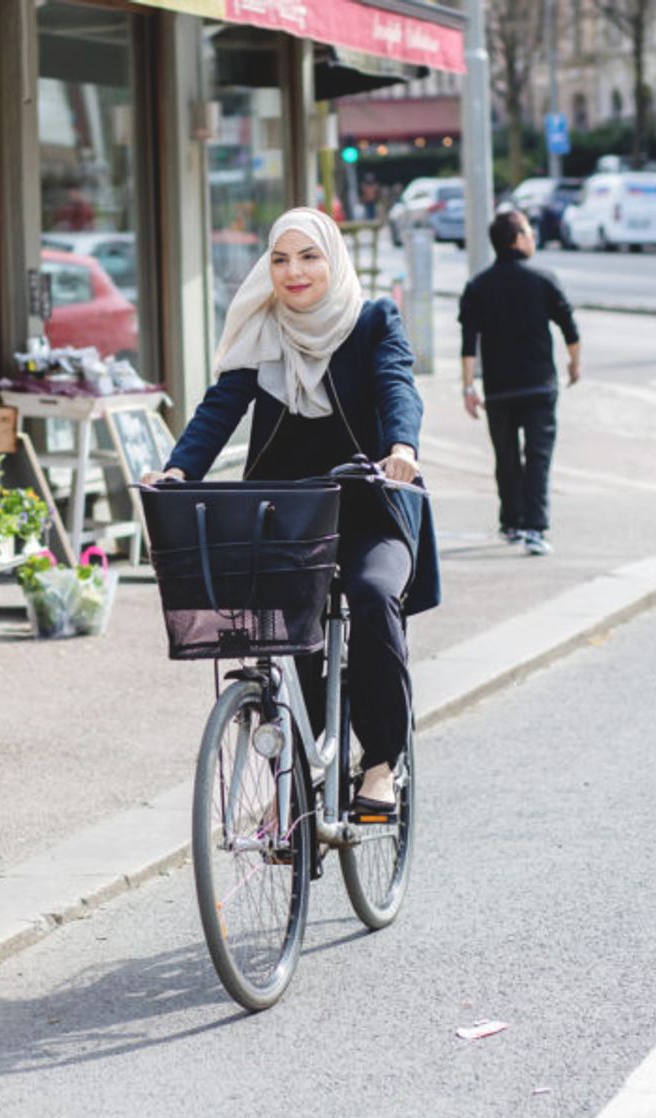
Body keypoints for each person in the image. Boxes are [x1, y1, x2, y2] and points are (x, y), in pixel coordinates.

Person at [146, 208, 440, 813]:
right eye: (280, 259)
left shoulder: (372, 320)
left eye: (309, 257)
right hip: (287, 515)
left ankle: (382, 758)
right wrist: (179, 471)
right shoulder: (262, 327)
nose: (294, 272)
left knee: (371, 593)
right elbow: (219, 406)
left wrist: (402, 448)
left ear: (332, 261)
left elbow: (396, 384)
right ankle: (293, 782)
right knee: (285, 638)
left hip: (371, 504)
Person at [458, 209, 580, 556]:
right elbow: (570, 328)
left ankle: (511, 522)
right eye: (528, 231)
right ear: (516, 240)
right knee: (538, 457)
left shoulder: (478, 286)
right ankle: (535, 529)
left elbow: (470, 343)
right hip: (540, 385)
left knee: (506, 457)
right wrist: (574, 364)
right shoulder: (543, 279)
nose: (533, 237)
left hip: (499, 389)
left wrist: (468, 387)